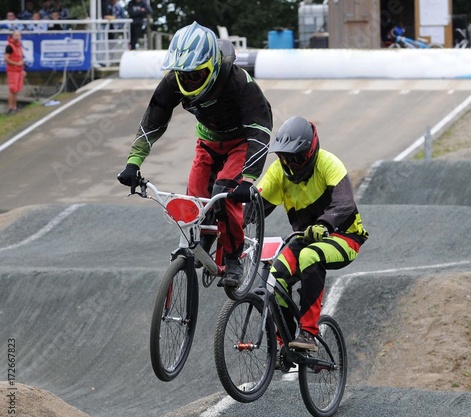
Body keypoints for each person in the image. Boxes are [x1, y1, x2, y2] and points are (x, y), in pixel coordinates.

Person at [117, 21, 273, 288]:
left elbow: (260, 130)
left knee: (225, 192)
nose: (188, 80)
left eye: (196, 74)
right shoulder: (174, 81)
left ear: (212, 66)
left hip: (241, 142)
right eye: (183, 74)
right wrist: (133, 163)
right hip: (209, 143)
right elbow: (153, 121)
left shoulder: (239, 82)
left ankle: (234, 258)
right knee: (195, 200)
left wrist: (248, 180)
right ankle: (203, 241)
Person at [256, 116, 368, 351]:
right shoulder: (277, 172)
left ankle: (307, 333)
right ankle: (282, 343)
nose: (289, 164)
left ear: (309, 153)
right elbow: (254, 208)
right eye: (284, 158)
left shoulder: (329, 163)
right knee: (274, 277)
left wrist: (325, 224)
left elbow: (345, 203)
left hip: (344, 236)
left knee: (310, 256)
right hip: (304, 239)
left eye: (295, 159)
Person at [4, 30, 27, 114]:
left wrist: (22, 69)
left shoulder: (19, 46)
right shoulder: (9, 46)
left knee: (16, 89)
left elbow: (19, 58)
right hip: (12, 70)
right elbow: (6, 59)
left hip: (19, 70)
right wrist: (17, 64)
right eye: (16, 35)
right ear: (12, 36)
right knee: (12, 89)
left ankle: (15, 107)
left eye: (19, 35)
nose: (17, 37)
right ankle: (11, 107)